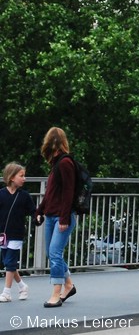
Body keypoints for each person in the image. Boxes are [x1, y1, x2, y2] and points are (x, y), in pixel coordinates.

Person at [35, 127, 78, 308]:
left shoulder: (65, 163)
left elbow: (69, 192)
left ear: (53, 143)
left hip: (62, 217)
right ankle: (69, 285)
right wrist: (39, 210)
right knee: (52, 253)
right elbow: (50, 194)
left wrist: (64, 218)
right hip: (53, 216)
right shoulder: (56, 164)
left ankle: (56, 293)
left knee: (55, 253)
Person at [0, 163, 35, 302]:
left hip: (16, 233)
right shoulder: (1, 194)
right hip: (2, 234)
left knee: (10, 261)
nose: (24, 178)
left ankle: (6, 292)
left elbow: (33, 211)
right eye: (21, 176)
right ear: (11, 177)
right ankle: (22, 286)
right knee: (7, 261)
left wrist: (37, 217)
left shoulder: (24, 196)